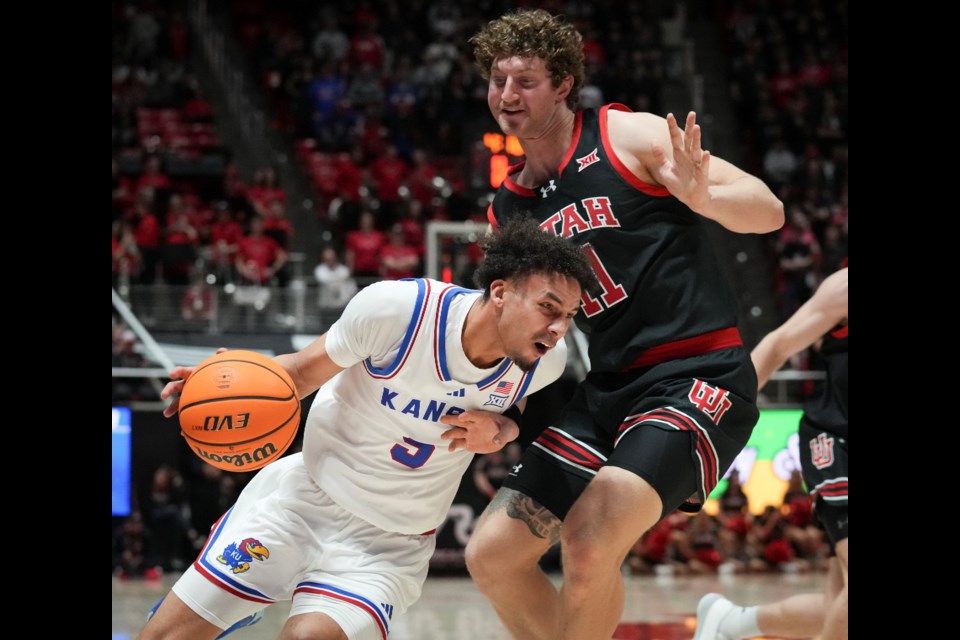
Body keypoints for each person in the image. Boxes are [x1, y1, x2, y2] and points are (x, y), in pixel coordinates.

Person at [452, 10, 785, 640]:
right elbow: (533, 341)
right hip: (607, 387)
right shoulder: (509, 205)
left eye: (525, 81)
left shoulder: (627, 137)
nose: (507, 95)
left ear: (564, 85)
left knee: (588, 540)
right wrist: (509, 416)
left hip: (697, 376)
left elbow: (768, 211)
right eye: (498, 80)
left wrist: (705, 197)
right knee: (491, 553)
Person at [136, 216, 598, 640]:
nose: (558, 328)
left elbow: (512, 415)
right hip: (303, 503)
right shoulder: (398, 310)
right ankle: (249, 593)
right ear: (500, 292)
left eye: (569, 316)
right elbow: (297, 373)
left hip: (387, 545)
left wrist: (501, 432)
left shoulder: (544, 362)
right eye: (548, 307)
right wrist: (224, 381)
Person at [694, 264, 847, 640]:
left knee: (838, 605)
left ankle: (730, 622)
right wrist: (723, 419)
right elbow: (778, 345)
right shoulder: (843, 288)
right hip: (837, 439)